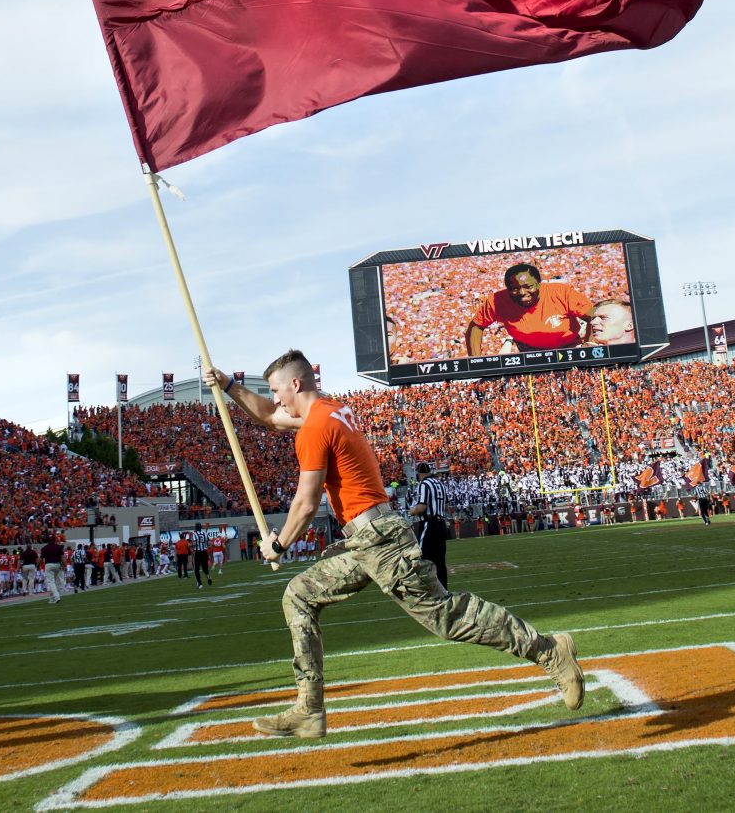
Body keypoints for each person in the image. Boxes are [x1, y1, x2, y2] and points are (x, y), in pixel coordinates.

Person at [205, 351, 581, 739]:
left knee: (445, 616)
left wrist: (278, 544)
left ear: (295, 384)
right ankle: (309, 708)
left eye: (277, 390)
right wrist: (229, 386)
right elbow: (267, 415)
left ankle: (548, 650)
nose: (277, 398)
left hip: (380, 540)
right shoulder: (330, 409)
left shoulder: (316, 426)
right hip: (365, 540)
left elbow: (305, 503)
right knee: (298, 596)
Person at [465, 264, 595, 355]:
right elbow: (476, 326)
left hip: (569, 344)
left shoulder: (562, 292)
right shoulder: (497, 300)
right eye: (514, 288)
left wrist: (590, 345)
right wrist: (476, 360)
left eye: (528, 286)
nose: (522, 292)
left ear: (539, 283)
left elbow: (594, 316)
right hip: (529, 349)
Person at [407, 462, 452, 587]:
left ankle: (427, 589)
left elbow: (421, 507)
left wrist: (412, 511)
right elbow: (447, 506)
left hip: (429, 523)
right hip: (441, 523)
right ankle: (443, 591)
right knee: (439, 560)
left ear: (419, 473)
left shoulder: (424, 484)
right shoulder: (439, 484)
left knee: (422, 557)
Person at [41, 534, 66, 602]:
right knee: (55, 582)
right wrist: (65, 565)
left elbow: (41, 558)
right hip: (57, 565)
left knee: (51, 582)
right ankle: (52, 597)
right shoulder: (58, 547)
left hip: (48, 565)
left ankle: (57, 596)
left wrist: (39, 566)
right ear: (54, 540)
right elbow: (62, 557)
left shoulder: (44, 548)